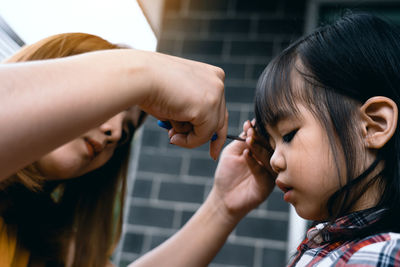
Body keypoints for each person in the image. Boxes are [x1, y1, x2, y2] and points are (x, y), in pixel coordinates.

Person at [134, 12, 400, 266]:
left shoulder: (381, 255)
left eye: (288, 135)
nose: (273, 161)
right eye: (272, 145)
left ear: (373, 126)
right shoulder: (335, 247)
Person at [0, 32, 228, 266]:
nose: (116, 132)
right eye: (105, 108)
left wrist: (223, 205)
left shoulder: (38, 233)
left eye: (127, 130)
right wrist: (147, 71)